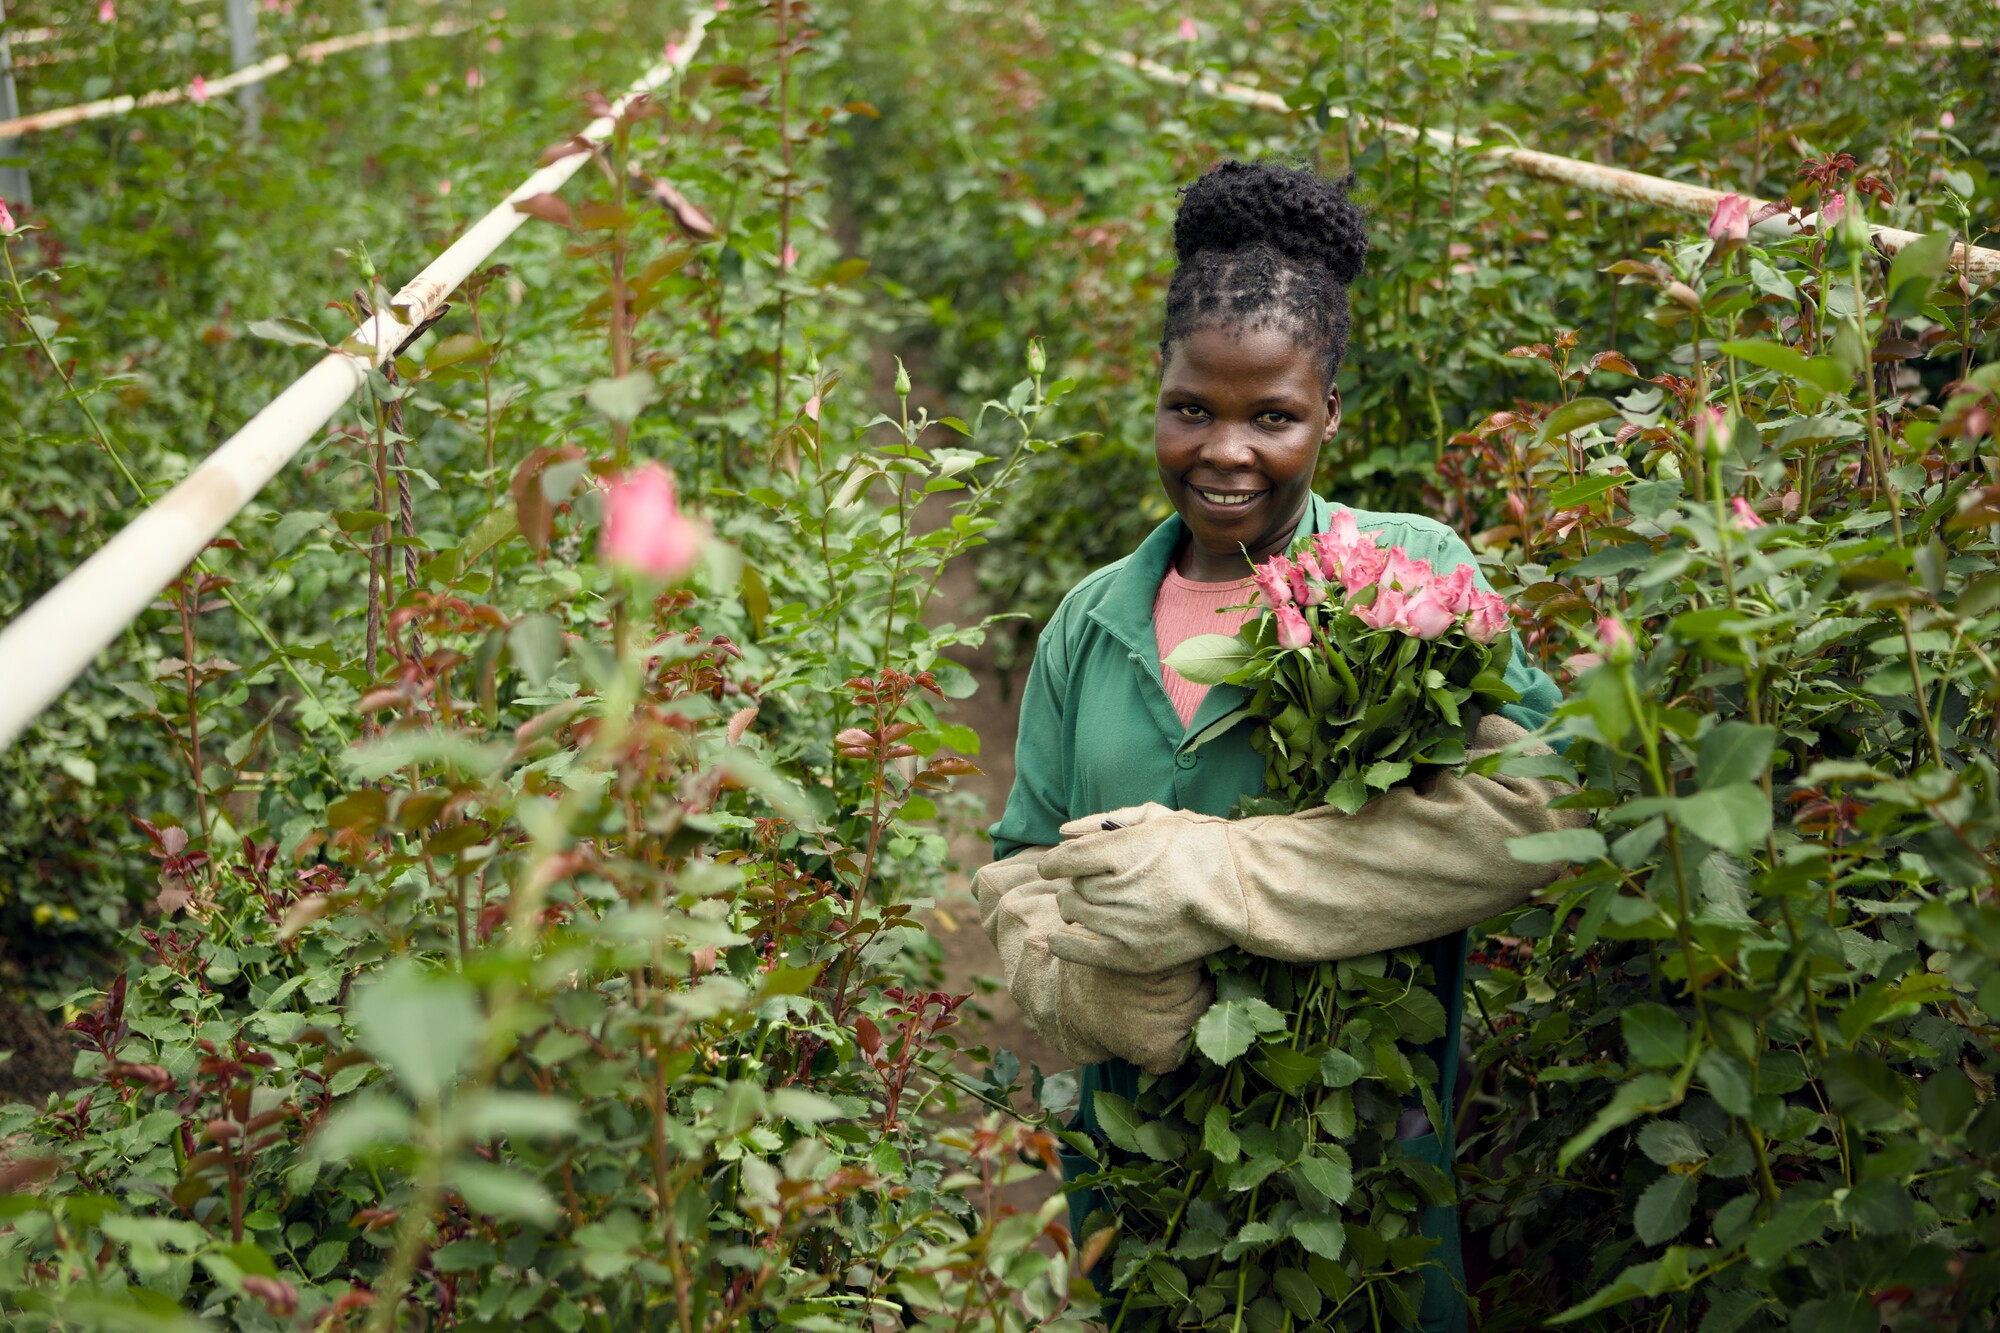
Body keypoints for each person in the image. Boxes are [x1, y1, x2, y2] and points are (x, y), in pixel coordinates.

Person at [974, 160, 1587, 1332]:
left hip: (1355, 1189)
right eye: (1191, 408)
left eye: (1273, 416)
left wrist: (1224, 874)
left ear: (1330, 415)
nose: (1226, 451)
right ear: (1151, 396)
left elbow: (1552, 804)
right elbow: (1015, 869)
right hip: (1143, 1177)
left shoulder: (1408, 580)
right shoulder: (1087, 622)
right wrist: (1079, 987)